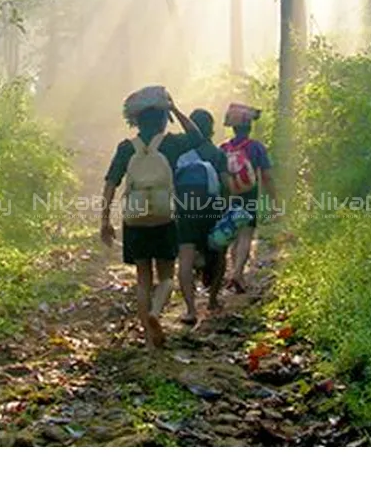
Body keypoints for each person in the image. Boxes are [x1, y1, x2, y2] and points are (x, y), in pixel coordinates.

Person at [101, 96, 205, 348]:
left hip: (135, 217)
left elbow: (111, 184)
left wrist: (104, 220)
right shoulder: (169, 143)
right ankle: (156, 313)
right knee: (167, 276)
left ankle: (148, 337)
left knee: (142, 278)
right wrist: (175, 108)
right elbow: (197, 137)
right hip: (164, 215)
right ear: (162, 121)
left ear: (136, 121)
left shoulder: (126, 147)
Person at [170, 109, 230, 321]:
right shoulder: (217, 154)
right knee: (219, 252)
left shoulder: (181, 152)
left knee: (185, 257)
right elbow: (227, 185)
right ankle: (212, 300)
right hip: (212, 206)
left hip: (186, 208)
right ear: (211, 129)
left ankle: (190, 310)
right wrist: (225, 208)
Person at [220, 115, 278, 293]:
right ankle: (237, 273)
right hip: (249, 196)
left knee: (233, 237)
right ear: (249, 128)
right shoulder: (256, 147)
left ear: (233, 128)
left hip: (228, 197)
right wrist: (274, 200)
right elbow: (266, 176)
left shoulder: (223, 148)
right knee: (245, 236)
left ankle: (234, 272)